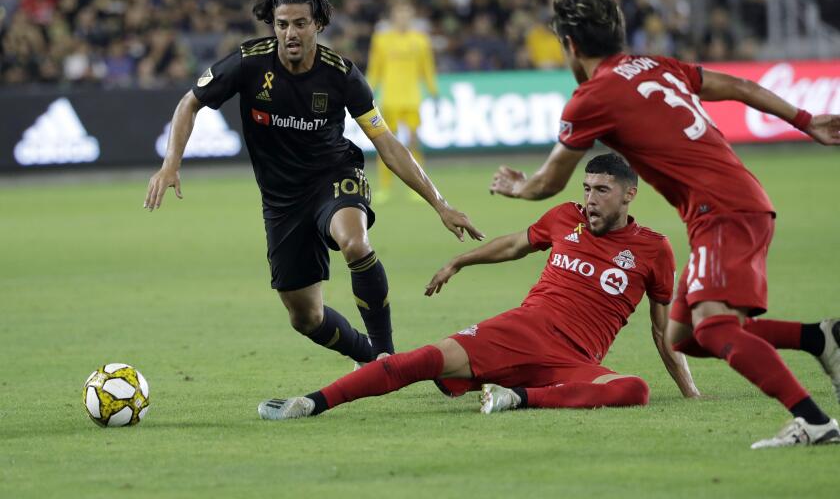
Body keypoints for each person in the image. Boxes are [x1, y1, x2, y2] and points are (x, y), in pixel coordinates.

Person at [488, 0, 840, 449]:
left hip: (723, 211)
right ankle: (820, 338)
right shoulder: (656, 66)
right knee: (685, 335)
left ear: (571, 45)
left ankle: (813, 421)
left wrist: (518, 187)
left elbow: (550, 182)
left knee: (715, 327)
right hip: (731, 203)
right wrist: (804, 118)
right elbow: (738, 85)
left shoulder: (592, 98)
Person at [144, 0, 483, 367]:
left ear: (318, 24)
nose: (290, 33)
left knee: (355, 243)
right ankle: (369, 358)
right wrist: (171, 163)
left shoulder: (341, 74)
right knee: (305, 317)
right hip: (281, 200)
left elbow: (386, 142)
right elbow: (190, 103)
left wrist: (440, 204)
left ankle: (388, 356)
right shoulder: (248, 62)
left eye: (300, 23)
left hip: (333, 177)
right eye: (282, 23)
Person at [256, 154, 699, 421]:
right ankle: (309, 403)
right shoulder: (566, 218)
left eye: (602, 190)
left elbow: (663, 331)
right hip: (522, 330)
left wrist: (690, 392)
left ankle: (517, 397)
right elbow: (514, 245)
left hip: (575, 360)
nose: (590, 199)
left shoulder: (653, 250)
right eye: (586, 189)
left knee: (634, 390)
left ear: (629, 195)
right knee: (421, 360)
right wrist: (458, 261)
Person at [366, 0, 438, 201]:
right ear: (392, 17)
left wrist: (434, 92)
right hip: (389, 99)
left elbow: (428, 70)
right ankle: (385, 188)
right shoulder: (381, 40)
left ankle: (419, 187)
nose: (403, 17)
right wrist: (367, 91)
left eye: (407, 13)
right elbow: (375, 69)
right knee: (386, 145)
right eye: (399, 13)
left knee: (414, 143)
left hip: (412, 99)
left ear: (412, 16)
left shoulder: (421, 40)